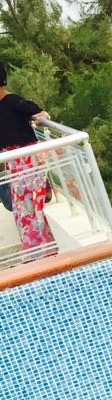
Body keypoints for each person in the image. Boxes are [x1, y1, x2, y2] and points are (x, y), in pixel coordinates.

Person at [0, 61, 56, 256]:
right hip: (14, 162)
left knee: (32, 203)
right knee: (22, 206)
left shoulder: (13, 101)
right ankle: (37, 249)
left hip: (29, 158)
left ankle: (43, 249)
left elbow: (40, 113)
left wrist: (39, 119)